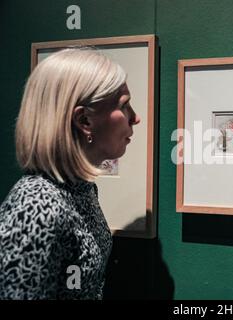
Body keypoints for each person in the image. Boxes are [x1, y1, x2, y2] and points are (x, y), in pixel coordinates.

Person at [0, 48, 140, 299]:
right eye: (124, 105)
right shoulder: (36, 205)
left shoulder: (81, 188)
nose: (135, 118)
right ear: (84, 120)